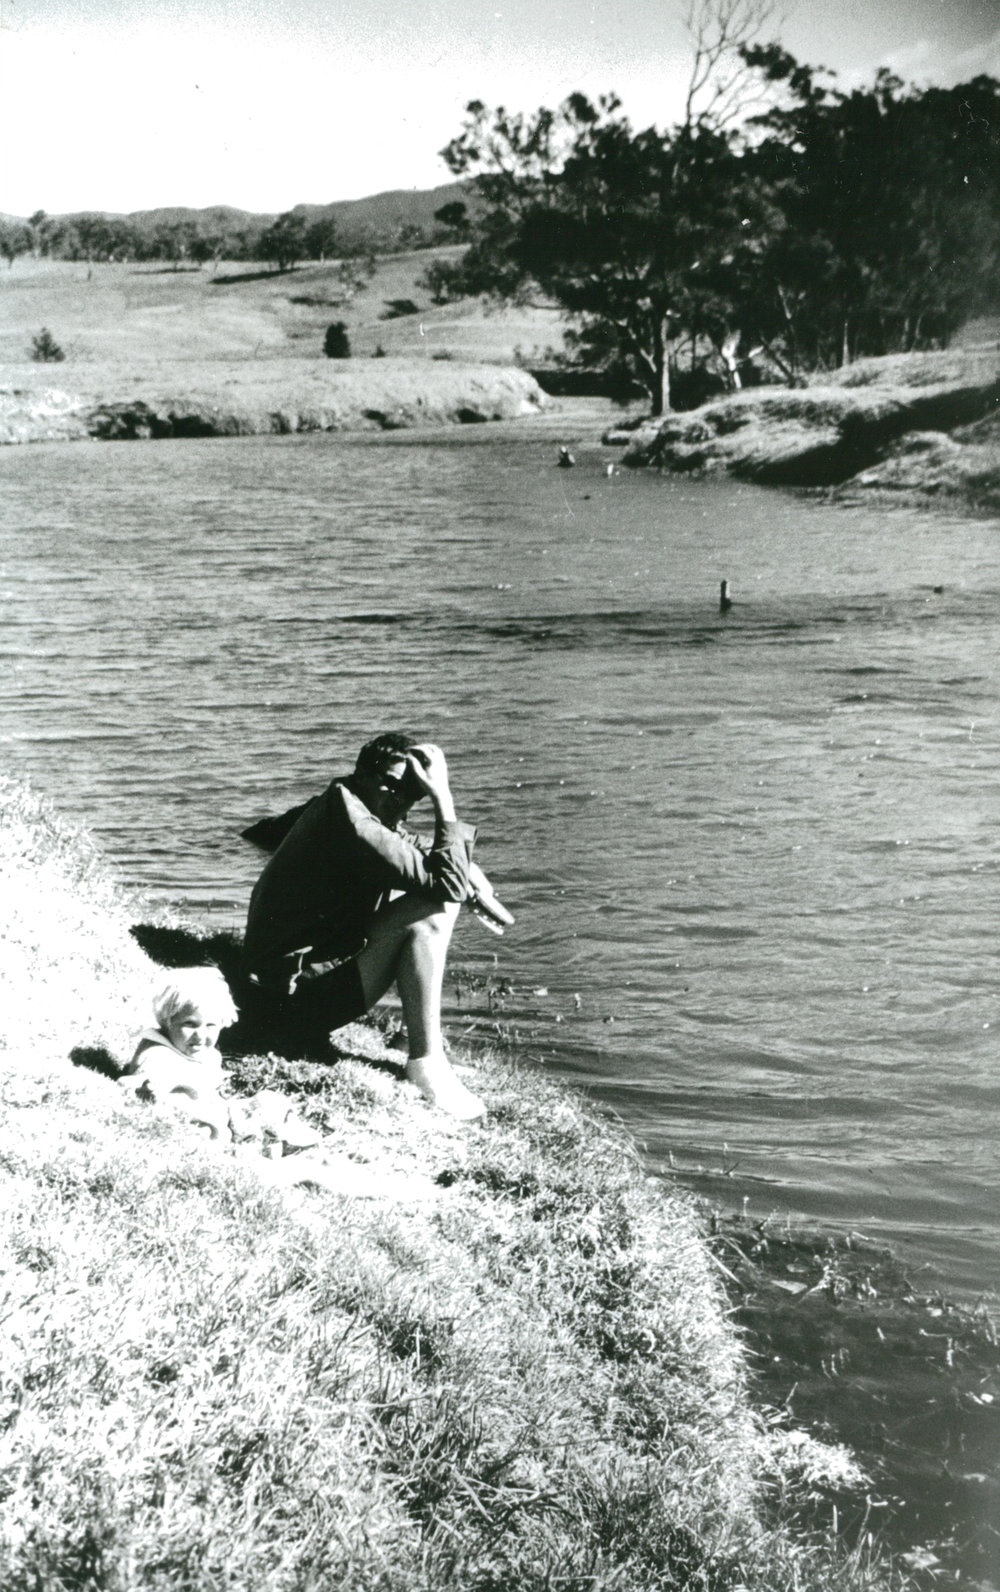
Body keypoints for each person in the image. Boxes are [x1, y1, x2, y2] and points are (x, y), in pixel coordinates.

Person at [242, 732, 488, 1120]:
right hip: (288, 1009)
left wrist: (468, 866)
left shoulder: (343, 801)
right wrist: (443, 798)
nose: (401, 802)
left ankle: (413, 1036)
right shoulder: (355, 827)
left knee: (432, 890)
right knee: (435, 905)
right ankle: (427, 1063)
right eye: (390, 786)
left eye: (412, 795)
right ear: (362, 774)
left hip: (279, 993)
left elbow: (405, 840)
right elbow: (448, 886)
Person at [119, 966, 237, 1139]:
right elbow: (131, 1084)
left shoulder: (207, 1054)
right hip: (187, 1122)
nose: (200, 1035)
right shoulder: (157, 1054)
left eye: (211, 1025)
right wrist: (147, 1088)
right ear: (168, 1021)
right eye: (189, 1024)